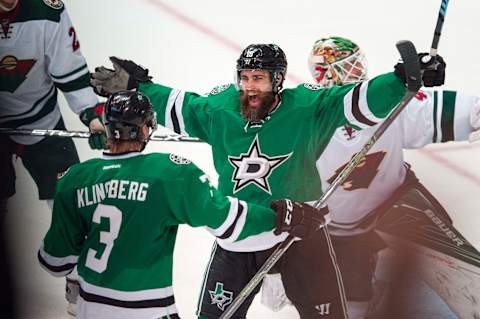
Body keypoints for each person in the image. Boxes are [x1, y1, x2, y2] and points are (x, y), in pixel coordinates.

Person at [90, 43, 445, 318]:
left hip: (302, 233)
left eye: (258, 78)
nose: (249, 87)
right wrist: (139, 86)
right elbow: (178, 106)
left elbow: (356, 100)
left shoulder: (306, 108)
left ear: (277, 81)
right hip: (238, 235)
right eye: (244, 78)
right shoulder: (220, 109)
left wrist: (401, 80)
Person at [37, 90, 323, 319]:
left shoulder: (75, 179)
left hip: (90, 307)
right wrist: (278, 218)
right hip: (148, 309)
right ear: (146, 129)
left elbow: (54, 261)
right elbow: (227, 221)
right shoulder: (169, 173)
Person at [0, 0, 107, 315]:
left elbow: (68, 66)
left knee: (72, 203)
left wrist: (91, 114)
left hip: (42, 120)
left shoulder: (47, 10)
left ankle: (79, 293)